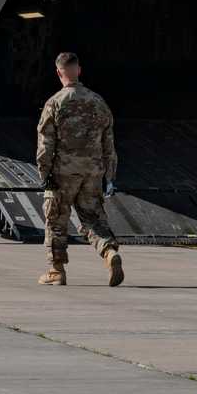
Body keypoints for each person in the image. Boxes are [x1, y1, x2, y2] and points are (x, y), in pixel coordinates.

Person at [35, 52, 122, 286]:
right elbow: (109, 143)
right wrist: (110, 175)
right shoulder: (98, 102)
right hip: (92, 172)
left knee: (56, 220)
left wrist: (44, 174)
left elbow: (46, 143)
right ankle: (109, 252)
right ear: (79, 70)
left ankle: (56, 270)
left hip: (63, 173)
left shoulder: (54, 103)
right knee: (93, 218)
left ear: (58, 72)